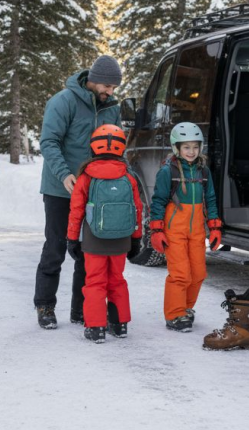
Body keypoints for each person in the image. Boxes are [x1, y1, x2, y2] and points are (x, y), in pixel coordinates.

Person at [35, 55, 122, 329]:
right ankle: (45, 305)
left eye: (114, 88)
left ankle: (82, 308)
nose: (111, 92)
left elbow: (117, 146)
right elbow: (49, 141)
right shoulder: (64, 101)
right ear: (96, 80)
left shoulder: (111, 108)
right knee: (56, 247)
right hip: (61, 189)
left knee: (89, 252)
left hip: (95, 191)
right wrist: (64, 174)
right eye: (109, 87)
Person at [65, 125, 144, 343]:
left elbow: (76, 211)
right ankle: (119, 325)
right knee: (117, 280)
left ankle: (96, 327)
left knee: (95, 282)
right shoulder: (129, 176)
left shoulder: (86, 176)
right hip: (121, 239)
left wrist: (72, 239)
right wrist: (136, 238)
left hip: (94, 239)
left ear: (94, 146)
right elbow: (137, 209)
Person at [148, 122, 223, 333]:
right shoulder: (167, 172)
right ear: (177, 148)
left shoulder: (203, 171)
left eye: (195, 147)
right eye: (186, 147)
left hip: (197, 231)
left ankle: (186, 308)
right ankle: (174, 314)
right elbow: (158, 201)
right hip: (175, 231)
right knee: (180, 274)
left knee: (198, 274)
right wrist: (157, 230)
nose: (191, 151)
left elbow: (210, 199)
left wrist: (215, 227)